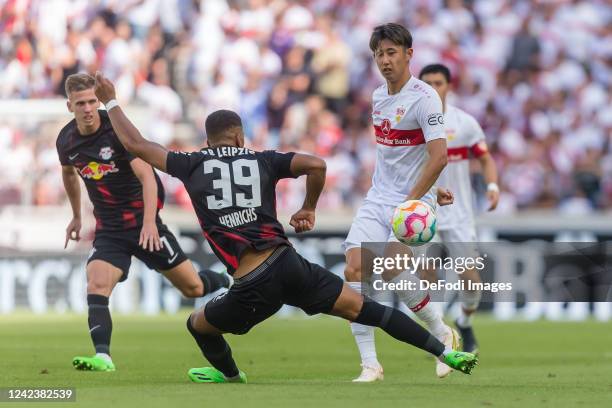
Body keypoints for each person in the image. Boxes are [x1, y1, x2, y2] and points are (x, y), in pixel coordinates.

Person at [92, 71, 479, 383]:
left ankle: (230, 375)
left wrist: (111, 101)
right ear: (240, 138)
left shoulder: (191, 163)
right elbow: (317, 164)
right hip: (289, 265)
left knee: (199, 325)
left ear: (207, 141)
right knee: (368, 310)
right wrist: (308, 207)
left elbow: (137, 144)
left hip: (251, 286)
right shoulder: (263, 159)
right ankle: (447, 352)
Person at [57, 73, 230, 372]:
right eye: (80, 103)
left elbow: (147, 177)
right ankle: (103, 357)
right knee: (96, 283)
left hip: (144, 223)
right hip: (110, 230)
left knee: (193, 288)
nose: (87, 108)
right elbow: (69, 174)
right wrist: (76, 215)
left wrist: (149, 223)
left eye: (92, 101)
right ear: (69, 105)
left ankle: (226, 281)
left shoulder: (116, 131)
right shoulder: (66, 139)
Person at [343, 23, 460, 382]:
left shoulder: (425, 98)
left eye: (392, 52)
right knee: (354, 271)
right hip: (379, 198)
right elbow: (397, 157)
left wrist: (414, 200)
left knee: (393, 269)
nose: (385, 60)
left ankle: (441, 332)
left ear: (409, 54)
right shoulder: (379, 97)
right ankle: (370, 364)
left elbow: (438, 156)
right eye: (379, 53)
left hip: (412, 205)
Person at [419, 63, 500, 354]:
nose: (432, 88)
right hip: (425, 211)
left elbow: (486, 159)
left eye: (438, 82)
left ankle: (464, 321)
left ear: (448, 86)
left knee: (470, 280)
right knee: (426, 273)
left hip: (460, 214)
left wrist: (492, 187)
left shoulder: (464, 123)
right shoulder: (414, 122)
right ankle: (442, 336)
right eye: (426, 83)